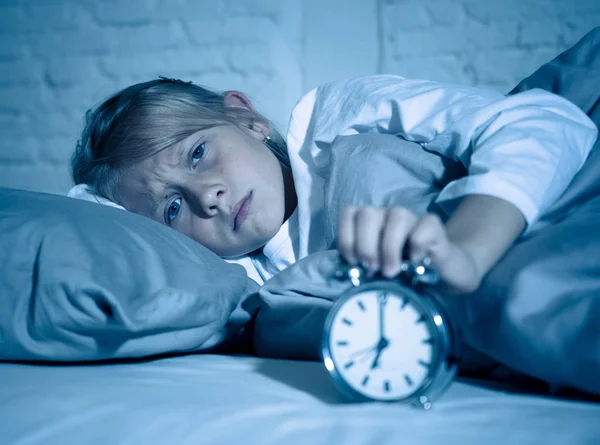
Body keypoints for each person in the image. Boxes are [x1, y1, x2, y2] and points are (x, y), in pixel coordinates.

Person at [69, 75, 598, 292]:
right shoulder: (237, 280)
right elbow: (98, 235)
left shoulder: (335, 119)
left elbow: (546, 121)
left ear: (248, 119)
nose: (207, 197)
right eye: (171, 209)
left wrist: (468, 246)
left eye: (199, 153)